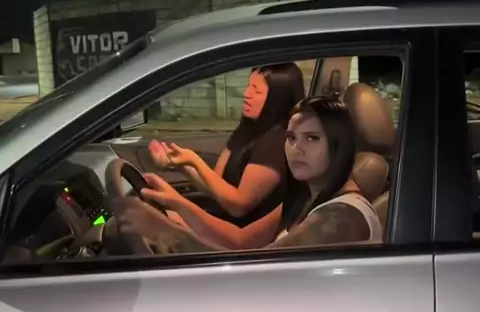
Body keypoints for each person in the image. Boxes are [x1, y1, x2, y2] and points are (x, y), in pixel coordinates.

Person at [115, 97, 383, 254]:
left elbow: (256, 272)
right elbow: (240, 241)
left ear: (338, 145)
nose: (296, 148)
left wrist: (164, 232)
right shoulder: (307, 196)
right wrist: (175, 203)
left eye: (312, 138)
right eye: (291, 137)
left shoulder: (341, 218)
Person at [149, 63, 305, 225]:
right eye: (249, 86)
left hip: (242, 234)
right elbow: (216, 186)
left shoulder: (276, 143)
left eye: (257, 91)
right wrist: (181, 165)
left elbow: (238, 206)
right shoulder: (248, 130)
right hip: (223, 221)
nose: (247, 94)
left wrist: (194, 160)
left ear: (277, 100)